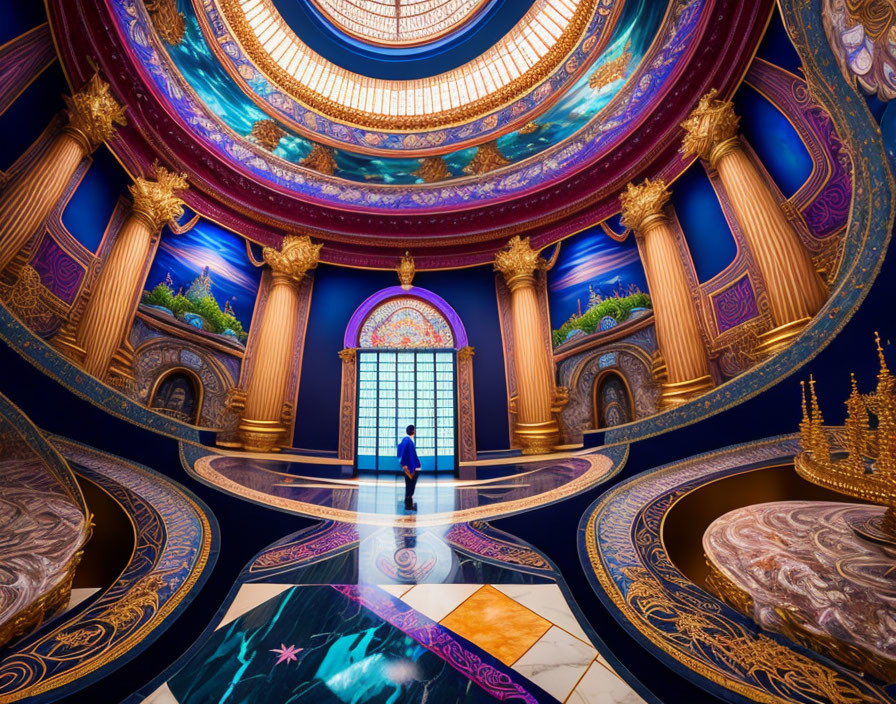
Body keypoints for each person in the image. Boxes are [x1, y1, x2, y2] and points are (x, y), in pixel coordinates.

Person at [397, 424, 421, 511]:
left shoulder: (406, 440)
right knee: (411, 483)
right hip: (410, 466)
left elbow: (399, 449)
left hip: (409, 465)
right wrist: (405, 464)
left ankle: (407, 500)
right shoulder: (408, 441)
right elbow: (404, 453)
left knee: (409, 483)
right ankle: (409, 504)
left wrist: (403, 464)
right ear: (413, 431)